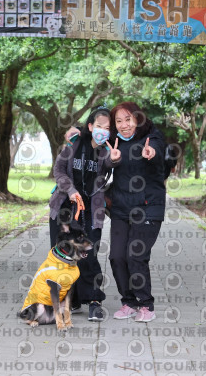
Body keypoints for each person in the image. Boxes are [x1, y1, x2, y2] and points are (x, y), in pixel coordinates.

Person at [48, 106, 121, 321]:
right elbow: (59, 170)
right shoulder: (74, 143)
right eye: (99, 126)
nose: (103, 131)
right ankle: (70, 298)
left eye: (107, 128)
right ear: (90, 126)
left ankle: (94, 301)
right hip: (65, 207)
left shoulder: (107, 149)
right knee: (62, 254)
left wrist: (114, 159)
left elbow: (109, 163)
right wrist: (70, 190)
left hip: (92, 210)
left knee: (88, 254)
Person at [107, 102, 167, 322]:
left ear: (138, 118)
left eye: (128, 119)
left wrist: (151, 152)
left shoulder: (152, 137)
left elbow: (158, 150)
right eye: (119, 121)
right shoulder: (113, 143)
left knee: (136, 255)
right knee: (117, 256)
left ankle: (146, 305)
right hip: (121, 207)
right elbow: (99, 155)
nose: (124, 125)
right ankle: (129, 302)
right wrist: (111, 160)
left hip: (148, 207)